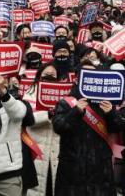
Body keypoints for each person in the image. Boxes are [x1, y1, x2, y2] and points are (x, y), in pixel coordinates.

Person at [52, 64, 125, 196]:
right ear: (78, 79)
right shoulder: (67, 102)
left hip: (100, 171)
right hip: (72, 170)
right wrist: (76, 111)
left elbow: (118, 128)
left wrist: (110, 114)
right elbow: (58, 126)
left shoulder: (106, 103)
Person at [22, 63, 59, 196]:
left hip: (56, 149)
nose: (49, 77)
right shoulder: (29, 94)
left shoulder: (64, 95)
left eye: (53, 75)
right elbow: (28, 119)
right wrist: (47, 115)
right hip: (36, 147)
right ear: (39, 77)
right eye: (46, 75)